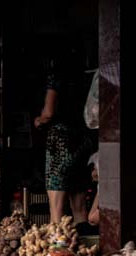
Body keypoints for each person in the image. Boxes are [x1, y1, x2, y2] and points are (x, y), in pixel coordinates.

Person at [35, 57, 96, 225]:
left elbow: (48, 114)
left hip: (61, 143)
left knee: (56, 208)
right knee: (79, 205)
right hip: (83, 141)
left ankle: (58, 249)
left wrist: (39, 120)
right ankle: (83, 244)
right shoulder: (87, 78)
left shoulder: (55, 79)